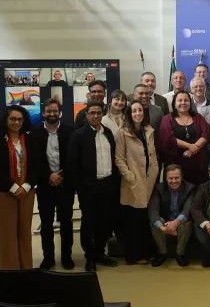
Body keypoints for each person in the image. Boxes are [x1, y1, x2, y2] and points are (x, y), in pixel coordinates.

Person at [67, 101, 120, 271]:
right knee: (89, 222)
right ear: (86, 115)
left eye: (99, 113)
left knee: (106, 221)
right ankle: (89, 256)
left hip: (108, 184)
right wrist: (79, 187)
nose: (96, 116)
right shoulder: (78, 135)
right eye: (92, 113)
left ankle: (99, 252)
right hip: (88, 187)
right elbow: (72, 163)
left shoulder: (108, 133)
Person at [0, 105, 38, 270]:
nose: (16, 122)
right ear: (6, 120)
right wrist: (14, 187)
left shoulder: (30, 139)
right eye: (13, 119)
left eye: (20, 119)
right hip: (4, 192)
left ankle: (26, 268)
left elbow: (38, 165)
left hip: (27, 192)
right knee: (7, 233)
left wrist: (27, 185)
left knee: (24, 232)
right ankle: (9, 270)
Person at [115, 100, 160, 265]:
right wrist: (130, 176)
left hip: (148, 180)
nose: (137, 114)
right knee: (133, 222)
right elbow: (119, 158)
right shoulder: (123, 132)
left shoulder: (149, 130)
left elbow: (153, 154)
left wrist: (155, 172)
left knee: (143, 220)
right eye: (134, 111)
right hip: (132, 182)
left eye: (140, 110)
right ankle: (133, 255)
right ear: (129, 113)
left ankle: (145, 252)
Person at [32, 99, 75, 270]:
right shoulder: (34, 133)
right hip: (45, 185)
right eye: (48, 111)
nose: (51, 114)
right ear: (43, 113)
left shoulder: (69, 131)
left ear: (60, 113)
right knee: (46, 224)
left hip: (65, 184)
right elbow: (35, 160)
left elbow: (72, 158)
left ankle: (67, 257)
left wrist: (60, 175)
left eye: (54, 111)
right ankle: (48, 257)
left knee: (66, 223)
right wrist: (49, 175)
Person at [159, 91, 210, 185]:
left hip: (198, 163)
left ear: (190, 103)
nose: (183, 103)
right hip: (175, 163)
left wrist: (193, 149)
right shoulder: (167, 119)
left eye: (186, 100)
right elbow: (168, 138)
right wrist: (190, 146)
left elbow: (206, 133)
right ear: (174, 103)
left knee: (197, 191)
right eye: (180, 100)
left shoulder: (198, 117)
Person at [148, 164, 194, 267]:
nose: (174, 181)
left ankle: (180, 254)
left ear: (181, 176)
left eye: (177, 178)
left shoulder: (190, 188)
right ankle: (162, 253)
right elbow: (153, 210)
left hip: (181, 222)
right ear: (166, 178)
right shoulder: (158, 188)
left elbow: (188, 209)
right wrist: (162, 227)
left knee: (188, 222)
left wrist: (176, 223)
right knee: (155, 222)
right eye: (171, 178)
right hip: (166, 221)